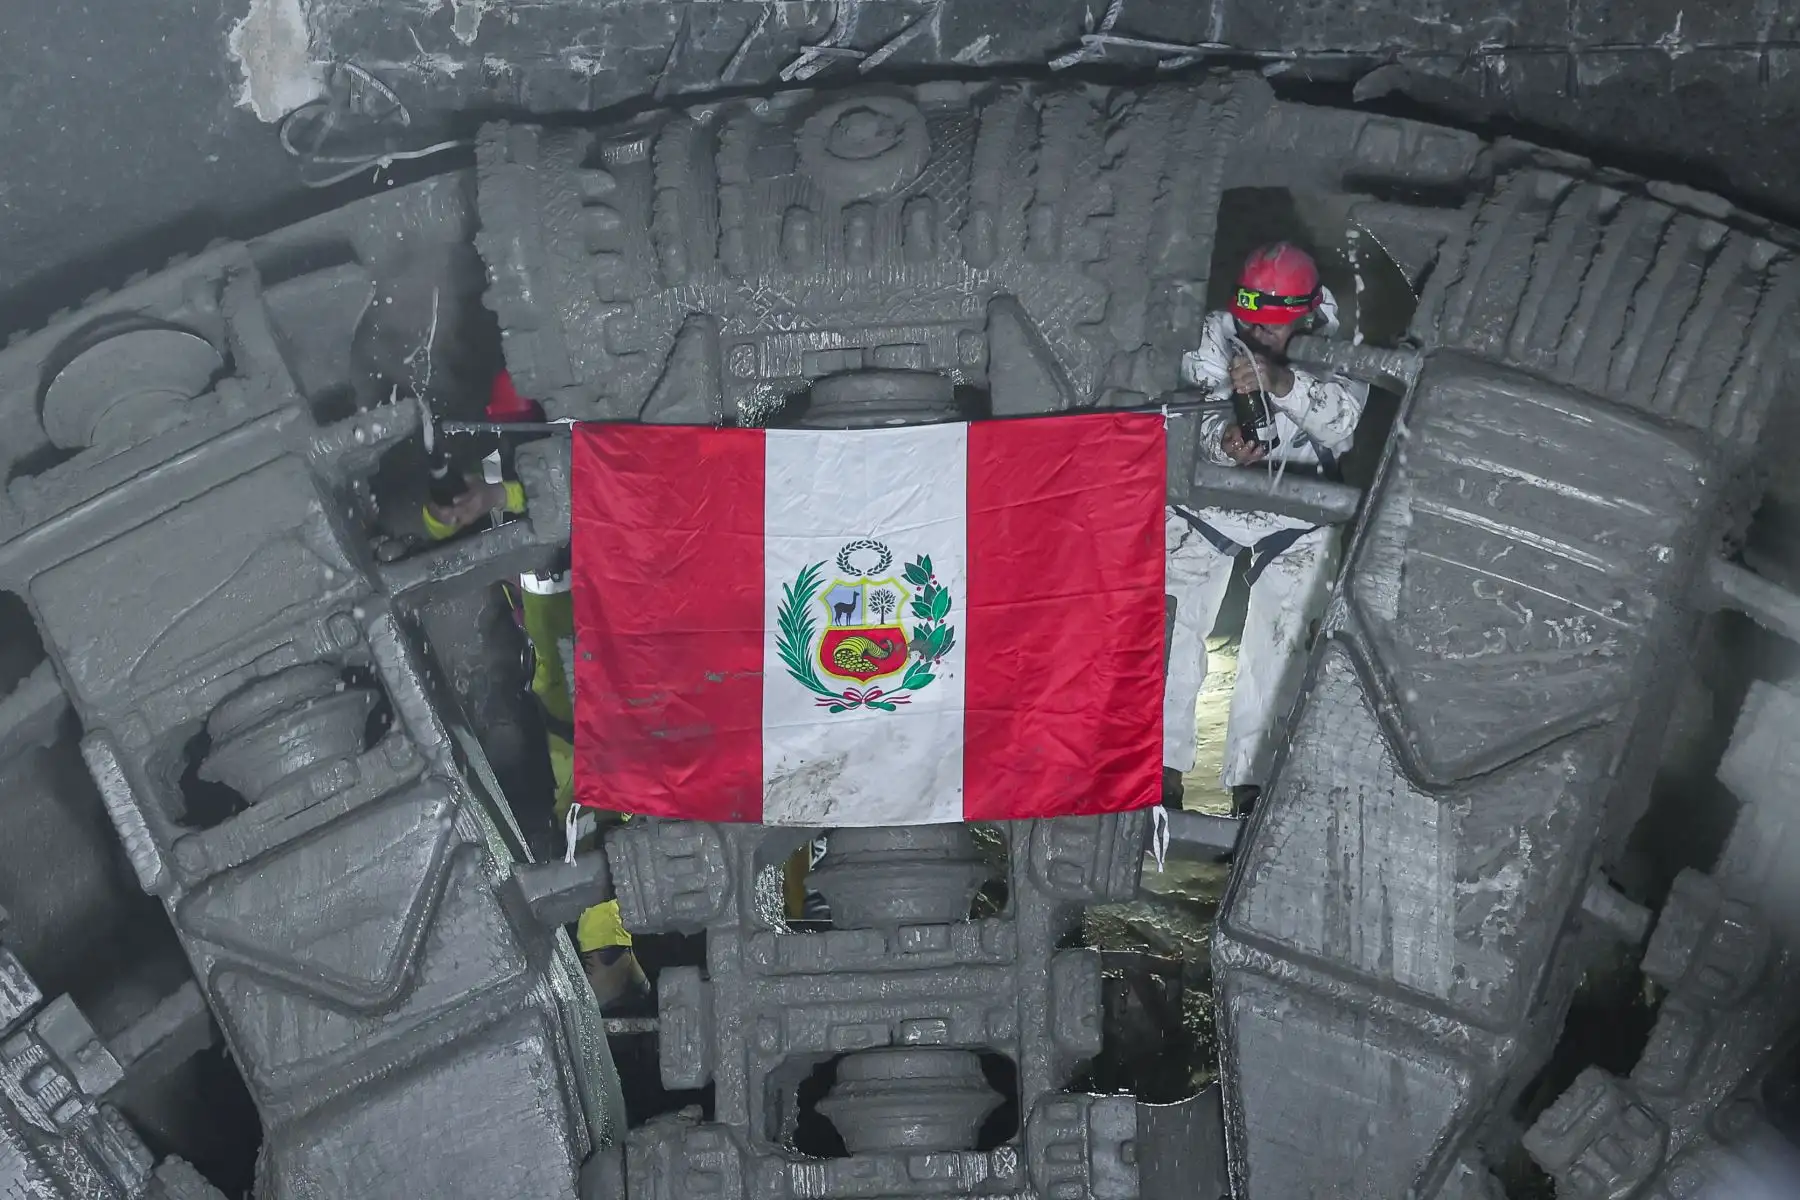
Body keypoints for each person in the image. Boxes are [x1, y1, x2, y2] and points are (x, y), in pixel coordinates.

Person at [424, 371, 650, 1010]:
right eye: (598, 965)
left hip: (507, 435)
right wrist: (499, 496)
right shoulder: (638, 779)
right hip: (560, 410)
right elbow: (620, 482)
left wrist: (457, 506)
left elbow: (444, 525)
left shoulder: (581, 789)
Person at [1164, 242, 1368, 816]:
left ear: (1304, 315)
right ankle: (1158, 767)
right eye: (1250, 323)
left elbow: (1343, 427)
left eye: (1270, 328)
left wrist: (1283, 384)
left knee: (1283, 641)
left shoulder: (1339, 345)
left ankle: (1256, 785)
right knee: (1170, 617)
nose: (1256, 335)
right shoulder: (1216, 332)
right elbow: (1192, 413)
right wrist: (1224, 441)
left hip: (1297, 512)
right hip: (1211, 503)